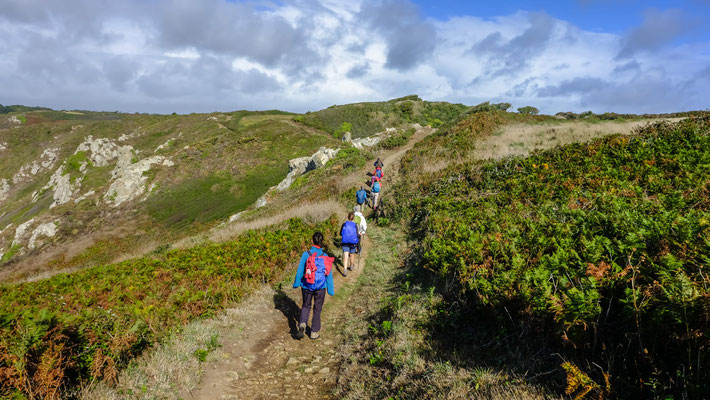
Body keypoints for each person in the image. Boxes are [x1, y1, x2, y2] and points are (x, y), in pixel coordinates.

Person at [293, 232, 334, 340]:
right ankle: (314, 332)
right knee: (317, 308)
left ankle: (302, 323)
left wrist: (297, 283)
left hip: (307, 285)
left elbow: (300, 270)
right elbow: (328, 274)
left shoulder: (306, 254)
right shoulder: (325, 256)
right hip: (321, 287)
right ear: (322, 242)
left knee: (306, 305)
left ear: (312, 241)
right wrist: (331, 289)